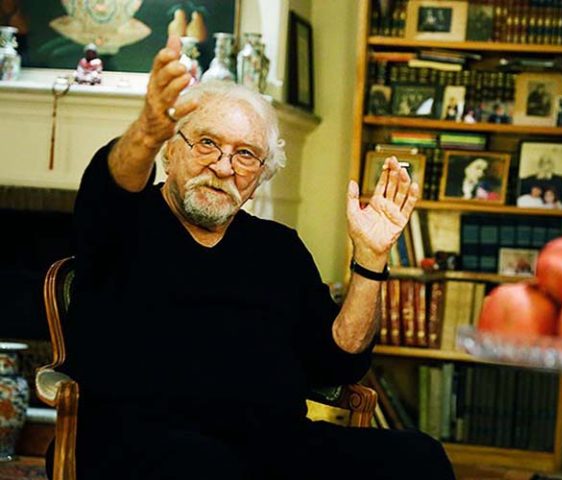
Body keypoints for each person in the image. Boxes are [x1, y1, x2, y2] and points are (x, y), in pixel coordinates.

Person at [50, 35, 455, 480]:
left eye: (245, 154)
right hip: (140, 446)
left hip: (272, 447)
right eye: (207, 143)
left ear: (261, 176)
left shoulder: (279, 250)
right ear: (170, 149)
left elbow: (340, 362)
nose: (224, 166)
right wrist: (146, 131)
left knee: (420, 459)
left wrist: (371, 259)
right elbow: (105, 190)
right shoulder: (123, 223)